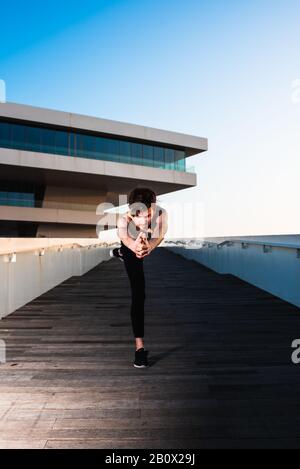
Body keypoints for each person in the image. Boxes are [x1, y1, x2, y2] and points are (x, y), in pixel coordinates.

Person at [109, 187, 168, 368]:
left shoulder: (161, 214)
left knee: (141, 248)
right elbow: (125, 238)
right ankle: (139, 348)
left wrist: (148, 246)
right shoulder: (123, 220)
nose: (143, 219)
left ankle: (120, 253)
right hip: (129, 246)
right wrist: (134, 247)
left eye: (147, 214)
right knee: (138, 293)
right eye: (138, 215)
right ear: (131, 211)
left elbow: (160, 234)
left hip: (146, 241)